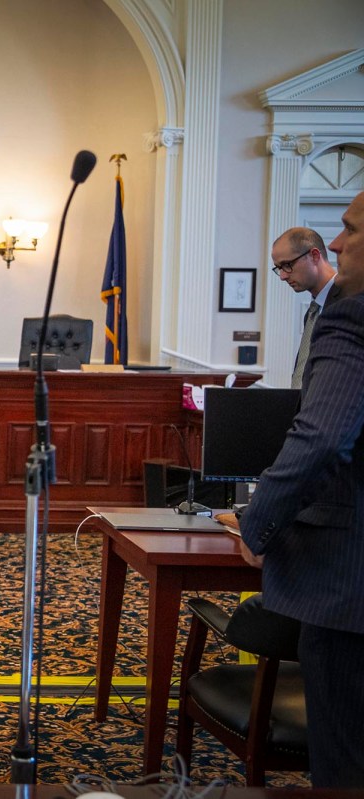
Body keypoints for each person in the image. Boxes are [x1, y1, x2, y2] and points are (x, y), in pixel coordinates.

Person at [238, 191, 364, 789]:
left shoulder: (351, 311)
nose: (339, 243)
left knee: (341, 761)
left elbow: (321, 436)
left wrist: (255, 522)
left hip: (348, 578)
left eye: (349, 229)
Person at [270, 227, 340, 388]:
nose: (282, 276)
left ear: (314, 256)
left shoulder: (349, 303)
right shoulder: (313, 311)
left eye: (287, 265)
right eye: (279, 268)